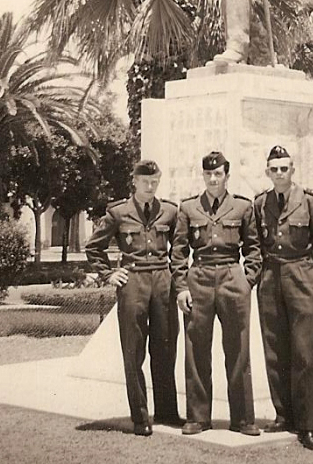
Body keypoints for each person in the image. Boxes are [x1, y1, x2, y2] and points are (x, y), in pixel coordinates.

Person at [85, 159, 182, 437]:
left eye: (155, 182)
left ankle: (166, 411)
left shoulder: (169, 212)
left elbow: (179, 248)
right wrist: (108, 275)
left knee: (165, 348)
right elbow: (94, 247)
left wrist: (176, 275)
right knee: (134, 351)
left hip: (163, 282)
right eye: (145, 181)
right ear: (135, 181)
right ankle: (140, 416)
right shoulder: (119, 212)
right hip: (133, 282)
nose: (150, 187)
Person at [171, 151, 262, 435]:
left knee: (238, 348)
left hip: (232, 277)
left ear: (226, 175)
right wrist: (182, 287)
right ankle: (198, 417)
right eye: (208, 174)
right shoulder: (188, 208)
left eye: (218, 174)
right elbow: (178, 252)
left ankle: (243, 418)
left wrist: (247, 280)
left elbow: (254, 249)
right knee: (196, 349)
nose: (213, 179)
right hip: (198, 277)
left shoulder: (242, 207)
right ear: (203, 175)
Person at [254, 145, 313, 452]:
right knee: (275, 349)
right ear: (267, 172)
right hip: (272, 277)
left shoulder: (312, 202)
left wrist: (310, 277)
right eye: (274, 169)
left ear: (292, 170)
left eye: (284, 168)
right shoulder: (260, 203)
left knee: (306, 352)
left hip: (302, 274)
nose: (279, 174)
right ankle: (283, 414)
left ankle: (307, 425)